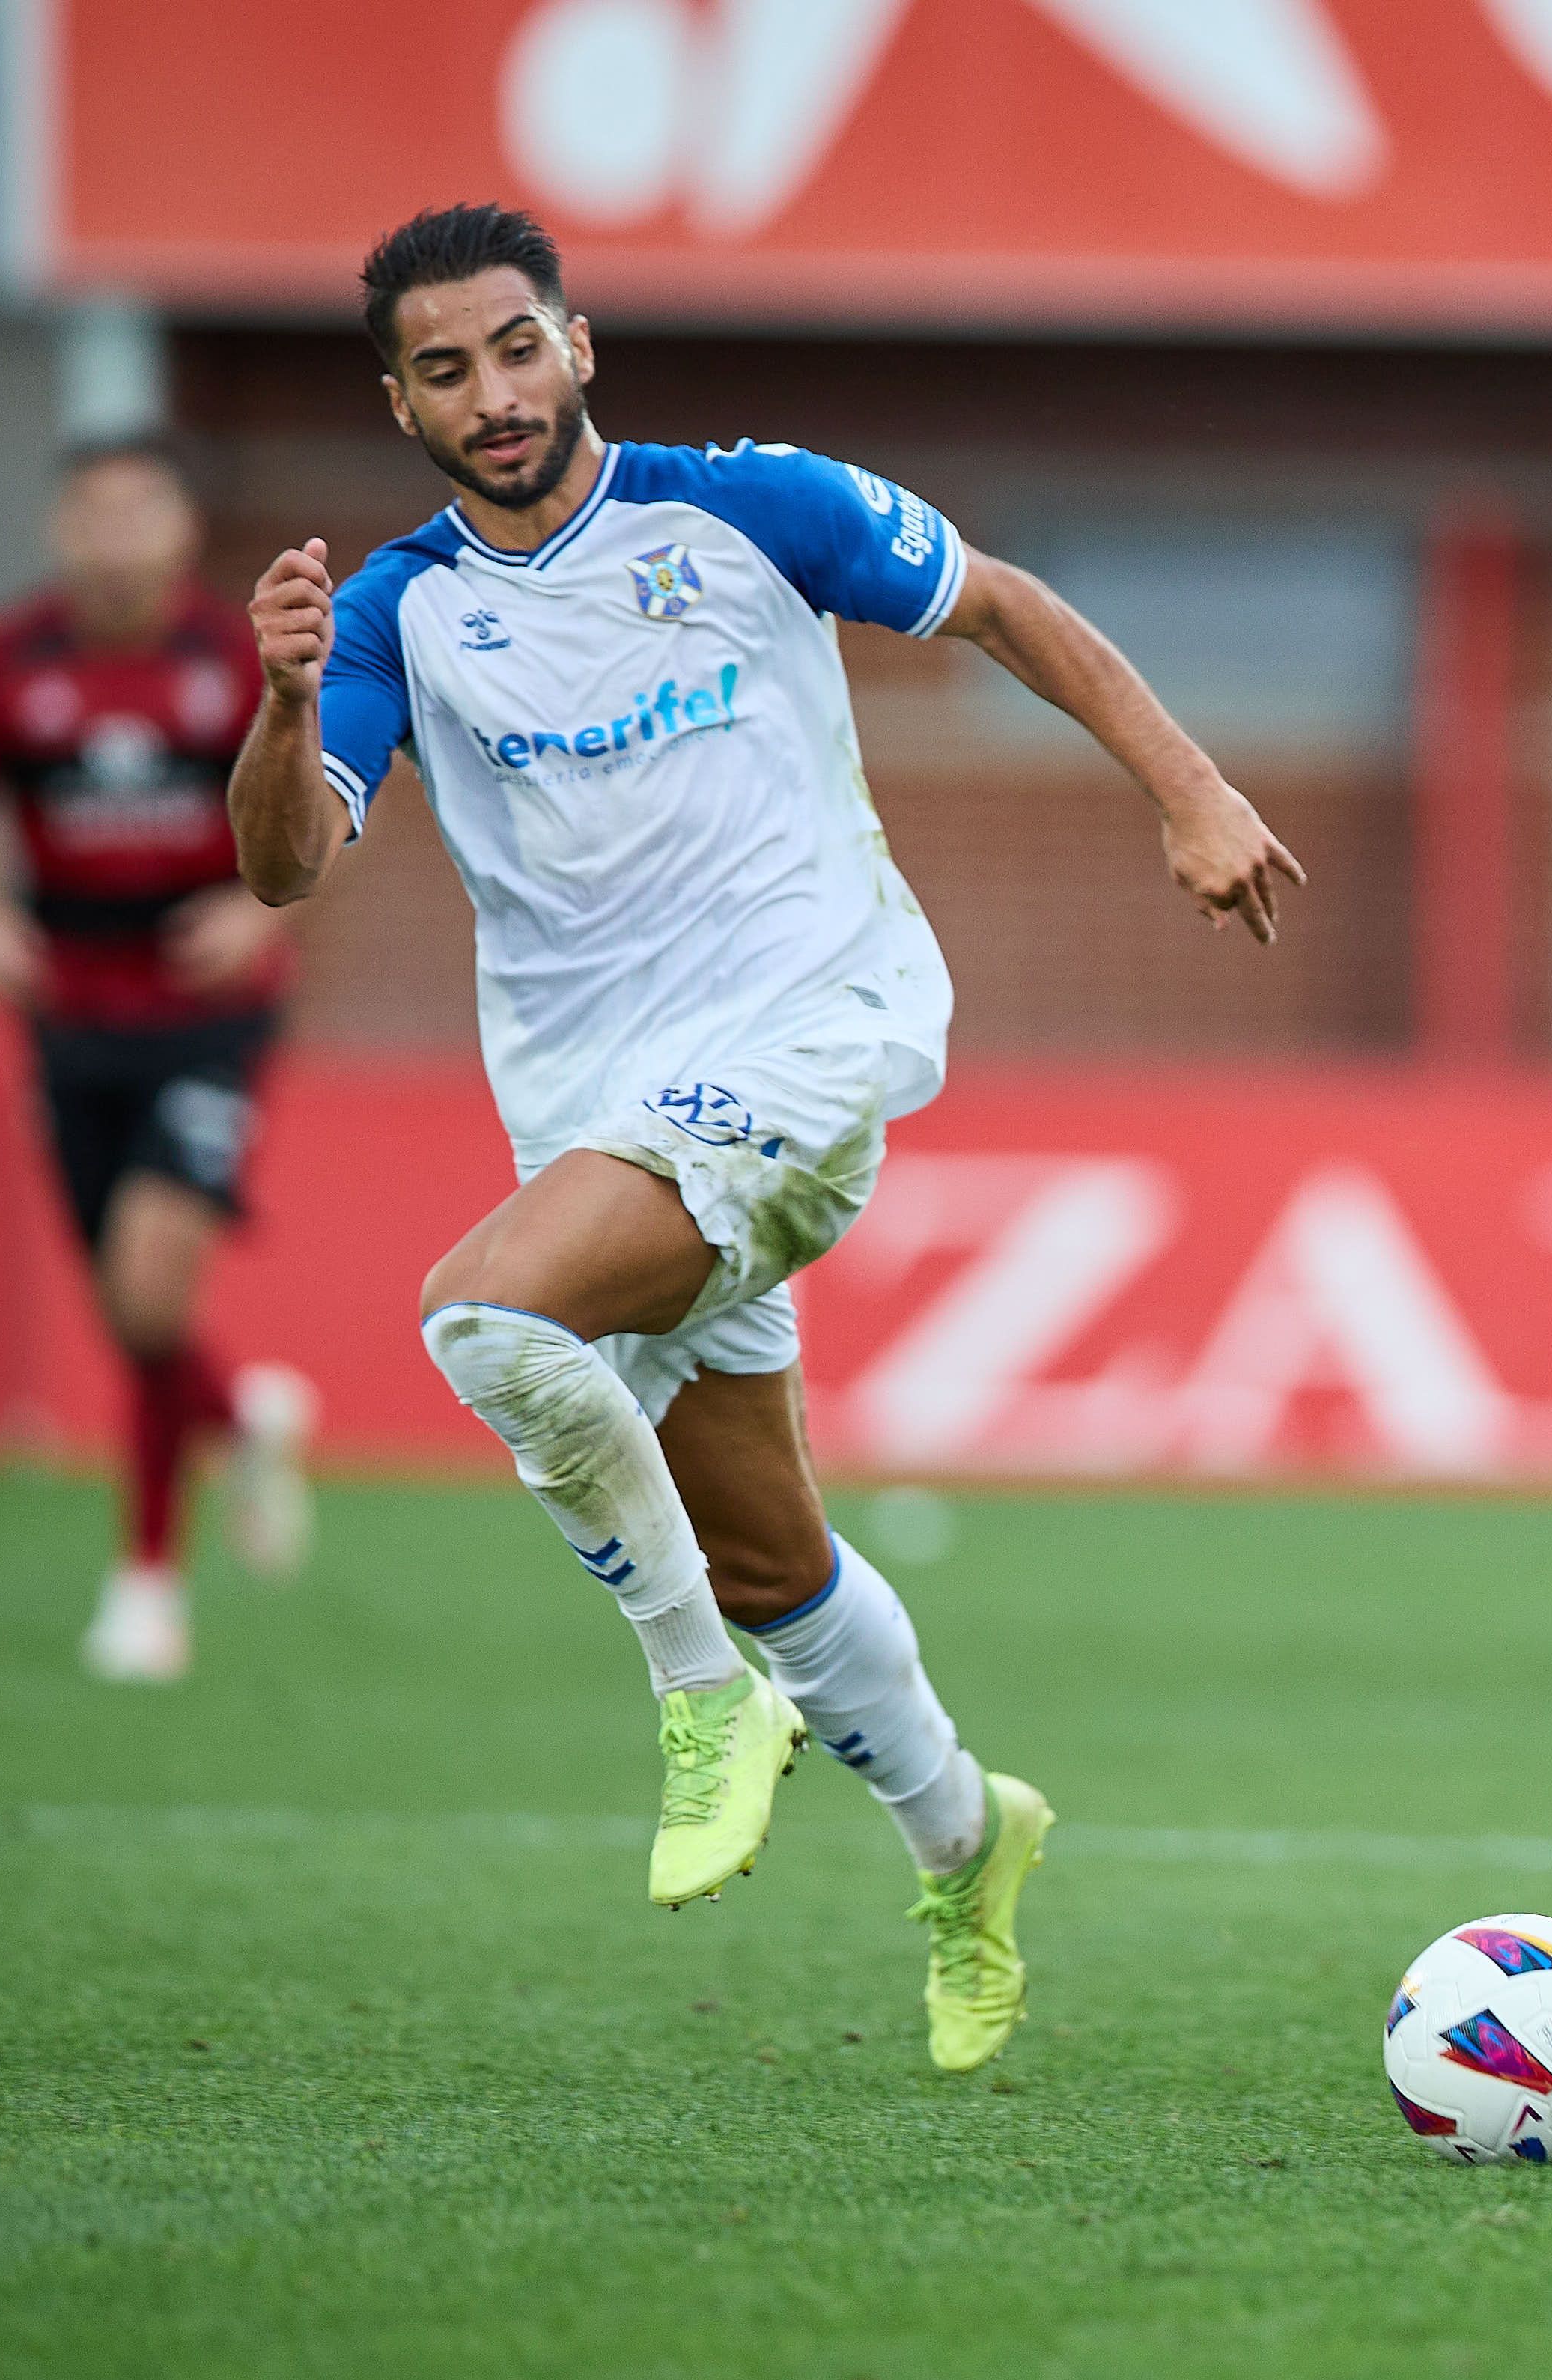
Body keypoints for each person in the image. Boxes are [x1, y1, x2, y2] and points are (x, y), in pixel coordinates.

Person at [225, 205, 1303, 2074]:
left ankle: (697, 1705)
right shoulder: (403, 608)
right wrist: (287, 698)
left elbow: (1005, 606)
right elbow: (284, 866)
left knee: (487, 1320)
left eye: (515, 347)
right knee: (765, 1552)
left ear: (579, 341)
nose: (494, 395)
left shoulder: (753, 507)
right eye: (446, 370)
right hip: (601, 1111)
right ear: (397, 400)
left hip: (819, 1033)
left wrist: (1192, 792)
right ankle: (970, 1842)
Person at [0, 434, 317, 1684]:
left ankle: (147, 1585)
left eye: (137, 509)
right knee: (124, 1307)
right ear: (61, 530)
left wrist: (260, 911)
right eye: (89, 512)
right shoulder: (1, 662)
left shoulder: (231, 660)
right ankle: (240, 1421)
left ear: (177, 527)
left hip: (206, 1012)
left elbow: (331, 801)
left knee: (149, 1296)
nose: (112, 535)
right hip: (69, 1006)